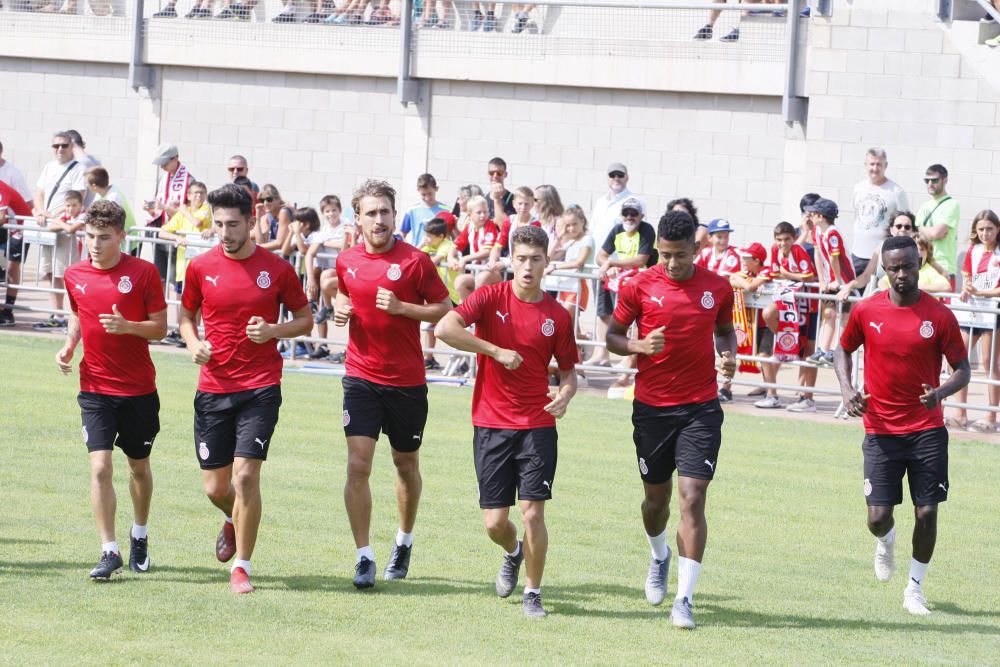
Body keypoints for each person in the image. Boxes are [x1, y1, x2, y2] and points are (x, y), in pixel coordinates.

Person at [435, 225, 578, 618]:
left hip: (537, 426)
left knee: (533, 512)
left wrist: (564, 396)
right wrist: (495, 350)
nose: (528, 267)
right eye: (521, 259)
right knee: (496, 523)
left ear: (547, 263)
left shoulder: (557, 316)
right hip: (491, 423)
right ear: (510, 260)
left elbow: (568, 374)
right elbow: (445, 328)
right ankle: (513, 552)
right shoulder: (490, 296)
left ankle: (533, 592)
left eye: (535, 259)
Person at [178, 184, 312, 594]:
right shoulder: (200, 267)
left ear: (251, 222)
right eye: (218, 224)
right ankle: (233, 517)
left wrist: (273, 330)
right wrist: (194, 343)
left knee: (246, 477)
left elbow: (305, 320)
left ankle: (241, 568)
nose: (224, 232)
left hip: (260, 386)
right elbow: (185, 316)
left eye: (233, 224)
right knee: (217, 488)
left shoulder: (277, 268)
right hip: (213, 386)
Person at [607, 209, 737, 630]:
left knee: (693, 498)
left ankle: (684, 599)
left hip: (700, 408)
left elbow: (723, 329)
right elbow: (612, 336)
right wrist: (639, 346)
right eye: (664, 255)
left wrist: (727, 353)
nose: (672, 263)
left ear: (695, 250)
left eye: (679, 255)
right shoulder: (639, 284)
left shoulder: (717, 287)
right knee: (656, 502)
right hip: (652, 409)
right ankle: (659, 554)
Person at [834, 235, 970, 617]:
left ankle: (914, 588)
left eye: (907, 266)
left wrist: (940, 392)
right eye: (893, 268)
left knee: (927, 512)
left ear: (920, 261)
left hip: (926, 429)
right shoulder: (866, 310)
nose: (900, 275)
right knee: (877, 517)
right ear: (885, 270)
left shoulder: (939, 315)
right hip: (880, 430)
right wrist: (846, 390)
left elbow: (963, 369)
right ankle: (887, 539)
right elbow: (842, 349)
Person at [333, 179, 451, 589]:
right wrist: (340, 307)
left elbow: (444, 309)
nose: (379, 219)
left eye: (385, 211)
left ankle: (403, 541)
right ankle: (364, 557)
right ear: (358, 218)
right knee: (358, 464)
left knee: (405, 464)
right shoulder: (346, 260)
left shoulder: (416, 261)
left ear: (394, 215)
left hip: (406, 381)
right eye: (371, 213)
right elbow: (344, 294)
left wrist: (403, 308)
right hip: (361, 377)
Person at [55, 200, 168, 580]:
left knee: (138, 468)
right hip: (95, 388)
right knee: (100, 467)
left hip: (137, 390)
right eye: (90, 236)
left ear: (122, 236)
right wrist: (70, 346)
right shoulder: (74, 274)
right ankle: (109, 549)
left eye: (104, 237)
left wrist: (129, 327)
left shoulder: (144, 273)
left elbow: (160, 328)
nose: (95, 244)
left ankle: (139, 533)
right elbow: (77, 313)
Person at [584, 196, 655, 368]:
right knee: (603, 310)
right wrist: (609, 267)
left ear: (641, 215)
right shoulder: (617, 229)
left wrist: (612, 263)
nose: (629, 217)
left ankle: (629, 358)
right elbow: (600, 256)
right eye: (626, 213)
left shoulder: (646, 230)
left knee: (636, 318)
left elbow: (641, 260)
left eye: (634, 213)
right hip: (623, 278)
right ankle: (602, 353)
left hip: (644, 280)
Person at [759, 221, 818, 412]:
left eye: (786, 239)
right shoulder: (775, 250)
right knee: (767, 316)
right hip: (786, 304)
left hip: (807, 306)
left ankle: (806, 398)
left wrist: (786, 273)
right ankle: (772, 394)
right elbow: (775, 274)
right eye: (779, 240)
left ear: (793, 238)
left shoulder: (799, 251)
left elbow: (808, 277)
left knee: (808, 352)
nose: (783, 243)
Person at [950, 210, 1000, 433]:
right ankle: (960, 412)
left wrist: (982, 292)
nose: (985, 233)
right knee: (960, 357)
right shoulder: (973, 250)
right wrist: (967, 289)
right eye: (981, 229)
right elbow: (968, 279)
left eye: (989, 228)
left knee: (989, 363)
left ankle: (991, 414)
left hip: (993, 312)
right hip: (973, 311)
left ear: (997, 229)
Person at [31, 131, 86, 330]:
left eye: (64, 145)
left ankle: (73, 316)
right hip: (50, 228)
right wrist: (39, 211)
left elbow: (77, 199)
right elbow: (39, 193)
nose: (60, 149)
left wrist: (54, 215)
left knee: (66, 274)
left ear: (71, 147)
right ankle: (57, 314)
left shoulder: (78, 169)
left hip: (65, 229)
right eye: (56, 146)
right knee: (50, 272)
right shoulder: (49, 167)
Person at [158, 181, 213, 345]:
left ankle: (194, 334)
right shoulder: (183, 213)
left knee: (199, 303)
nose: (199, 196)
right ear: (188, 195)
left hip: (203, 266)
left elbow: (197, 222)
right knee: (187, 302)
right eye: (195, 193)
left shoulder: (205, 209)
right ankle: (185, 334)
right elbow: (162, 232)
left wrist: (182, 210)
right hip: (185, 267)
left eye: (202, 193)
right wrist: (176, 237)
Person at [805, 198, 856, 367]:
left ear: (821, 216)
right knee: (828, 314)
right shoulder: (817, 231)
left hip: (844, 279)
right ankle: (822, 349)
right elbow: (817, 255)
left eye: (813, 213)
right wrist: (821, 280)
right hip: (830, 278)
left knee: (843, 316)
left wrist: (837, 280)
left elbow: (835, 259)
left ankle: (837, 350)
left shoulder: (832, 233)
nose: (810, 216)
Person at [850, 148, 909, 278]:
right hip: (858, 255)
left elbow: (905, 225)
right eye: (872, 164)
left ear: (885, 166)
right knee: (856, 296)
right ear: (865, 164)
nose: (875, 168)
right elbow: (856, 217)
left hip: (883, 257)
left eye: (879, 164)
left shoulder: (896, 192)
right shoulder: (858, 188)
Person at [32, 190, 86, 331]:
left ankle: (81, 319)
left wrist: (59, 222)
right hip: (68, 253)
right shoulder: (66, 214)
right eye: (68, 205)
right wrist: (59, 220)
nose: (70, 209)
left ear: (81, 205)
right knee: (57, 279)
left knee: (77, 288)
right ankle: (60, 317)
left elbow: (70, 229)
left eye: (74, 205)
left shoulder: (84, 215)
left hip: (80, 256)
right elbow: (52, 227)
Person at [146, 143, 195, 290]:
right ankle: (160, 311)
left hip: (177, 235)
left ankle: (174, 313)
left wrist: (165, 208)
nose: (162, 167)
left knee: (174, 281)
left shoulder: (190, 182)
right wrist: (151, 208)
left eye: (165, 163)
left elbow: (189, 215)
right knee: (159, 277)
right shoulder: (163, 179)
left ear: (176, 159)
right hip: (161, 232)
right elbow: (158, 204)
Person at [419, 215, 460, 370]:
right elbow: (414, 256)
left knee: (450, 329)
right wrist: (422, 243)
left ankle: (464, 358)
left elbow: (434, 261)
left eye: (429, 237)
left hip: (452, 297)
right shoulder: (431, 245)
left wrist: (426, 255)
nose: (427, 239)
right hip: (438, 297)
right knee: (430, 325)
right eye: (426, 236)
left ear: (441, 236)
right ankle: (429, 358)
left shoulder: (447, 245)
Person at [915, 164, 960, 284]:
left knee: (942, 303)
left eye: (934, 180)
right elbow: (916, 233)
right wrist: (926, 231)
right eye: (927, 180)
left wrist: (923, 230)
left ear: (945, 180)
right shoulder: (924, 206)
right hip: (923, 266)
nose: (930, 183)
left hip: (943, 267)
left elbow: (937, 233)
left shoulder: (952, 204)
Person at [449, 195, 500, 302]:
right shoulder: (469, 227)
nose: (483, 215)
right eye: (479, 212)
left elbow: (488, 251)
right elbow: (455, 246)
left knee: (481, 279)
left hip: (491, 271)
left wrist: (465, 258)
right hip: (476, 271)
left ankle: (481, 313)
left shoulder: (490, 226)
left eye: (485, 212)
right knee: (460, 281)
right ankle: (471, 312)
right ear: (470, 214)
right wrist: (451, 259)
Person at [0, 178, 33, 327]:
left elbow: (1, 217)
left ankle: (8, 311)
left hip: (20, 229)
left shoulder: (1, 188)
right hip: (7, 230)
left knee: (13, 267)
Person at [86, 167, 137, 247]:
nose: (87, 186)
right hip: (119, 241)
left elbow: (107, 222)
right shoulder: (99, 195)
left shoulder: (114, 197)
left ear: (94, 186)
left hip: (129, 242)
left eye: (87, 184)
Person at [400, 173, 449, 249]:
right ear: (418, 190)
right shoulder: (411, 211)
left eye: (430, 194)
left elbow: (449, 236)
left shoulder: (446, 211)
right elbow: (402, 234)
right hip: (418, 253)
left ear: (436, 189)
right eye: (423, 194)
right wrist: (409, 249)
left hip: (438, 256)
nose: (427, 198)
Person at [64, 130, 101, 207]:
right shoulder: (95, 161)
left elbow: (77, 197)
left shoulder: (79, 164)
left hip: (79, 215)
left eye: (64, 146)